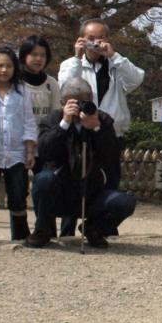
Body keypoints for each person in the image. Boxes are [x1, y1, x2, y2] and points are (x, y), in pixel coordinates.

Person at [25, 78, 136, 249]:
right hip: (59, 190)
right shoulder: (53, 119)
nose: (79, 107)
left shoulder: (103, 119)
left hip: (91, 190)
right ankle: (42, 229)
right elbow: (45, 151)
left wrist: (96, 128)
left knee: (124, 202)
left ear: (91, 100)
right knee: (43, 179)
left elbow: (112, 154)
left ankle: (93, 228)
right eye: (73, 102)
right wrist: (64, 124)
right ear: (62, 103)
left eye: (84, 101)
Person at [57, 18, 144, 189]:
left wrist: (113, 56)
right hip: (80, 131)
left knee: (109, 183)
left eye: (101, 38)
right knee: (78, 183)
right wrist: (77, 57)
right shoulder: (71, 64)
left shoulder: (117, 64)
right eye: (90, 38)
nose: (96, 43)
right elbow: (65, 87)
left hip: (110, 133)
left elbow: (136, 79)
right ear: (81, 39)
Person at [0, 46, 37, 243]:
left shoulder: (22, 91)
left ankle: (19, 238)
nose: (4, 70)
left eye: (9, 66)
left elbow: (29, 121)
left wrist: (30, 150)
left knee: (18, 196)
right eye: (0, 65)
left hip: (16, 153)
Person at [19, 34, 62, 129]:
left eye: (43, 55)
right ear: (24, 55)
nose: (39, 59)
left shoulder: (52, 83)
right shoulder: (16, 82)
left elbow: (56, 114)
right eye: (34, 54)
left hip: (46, 135)